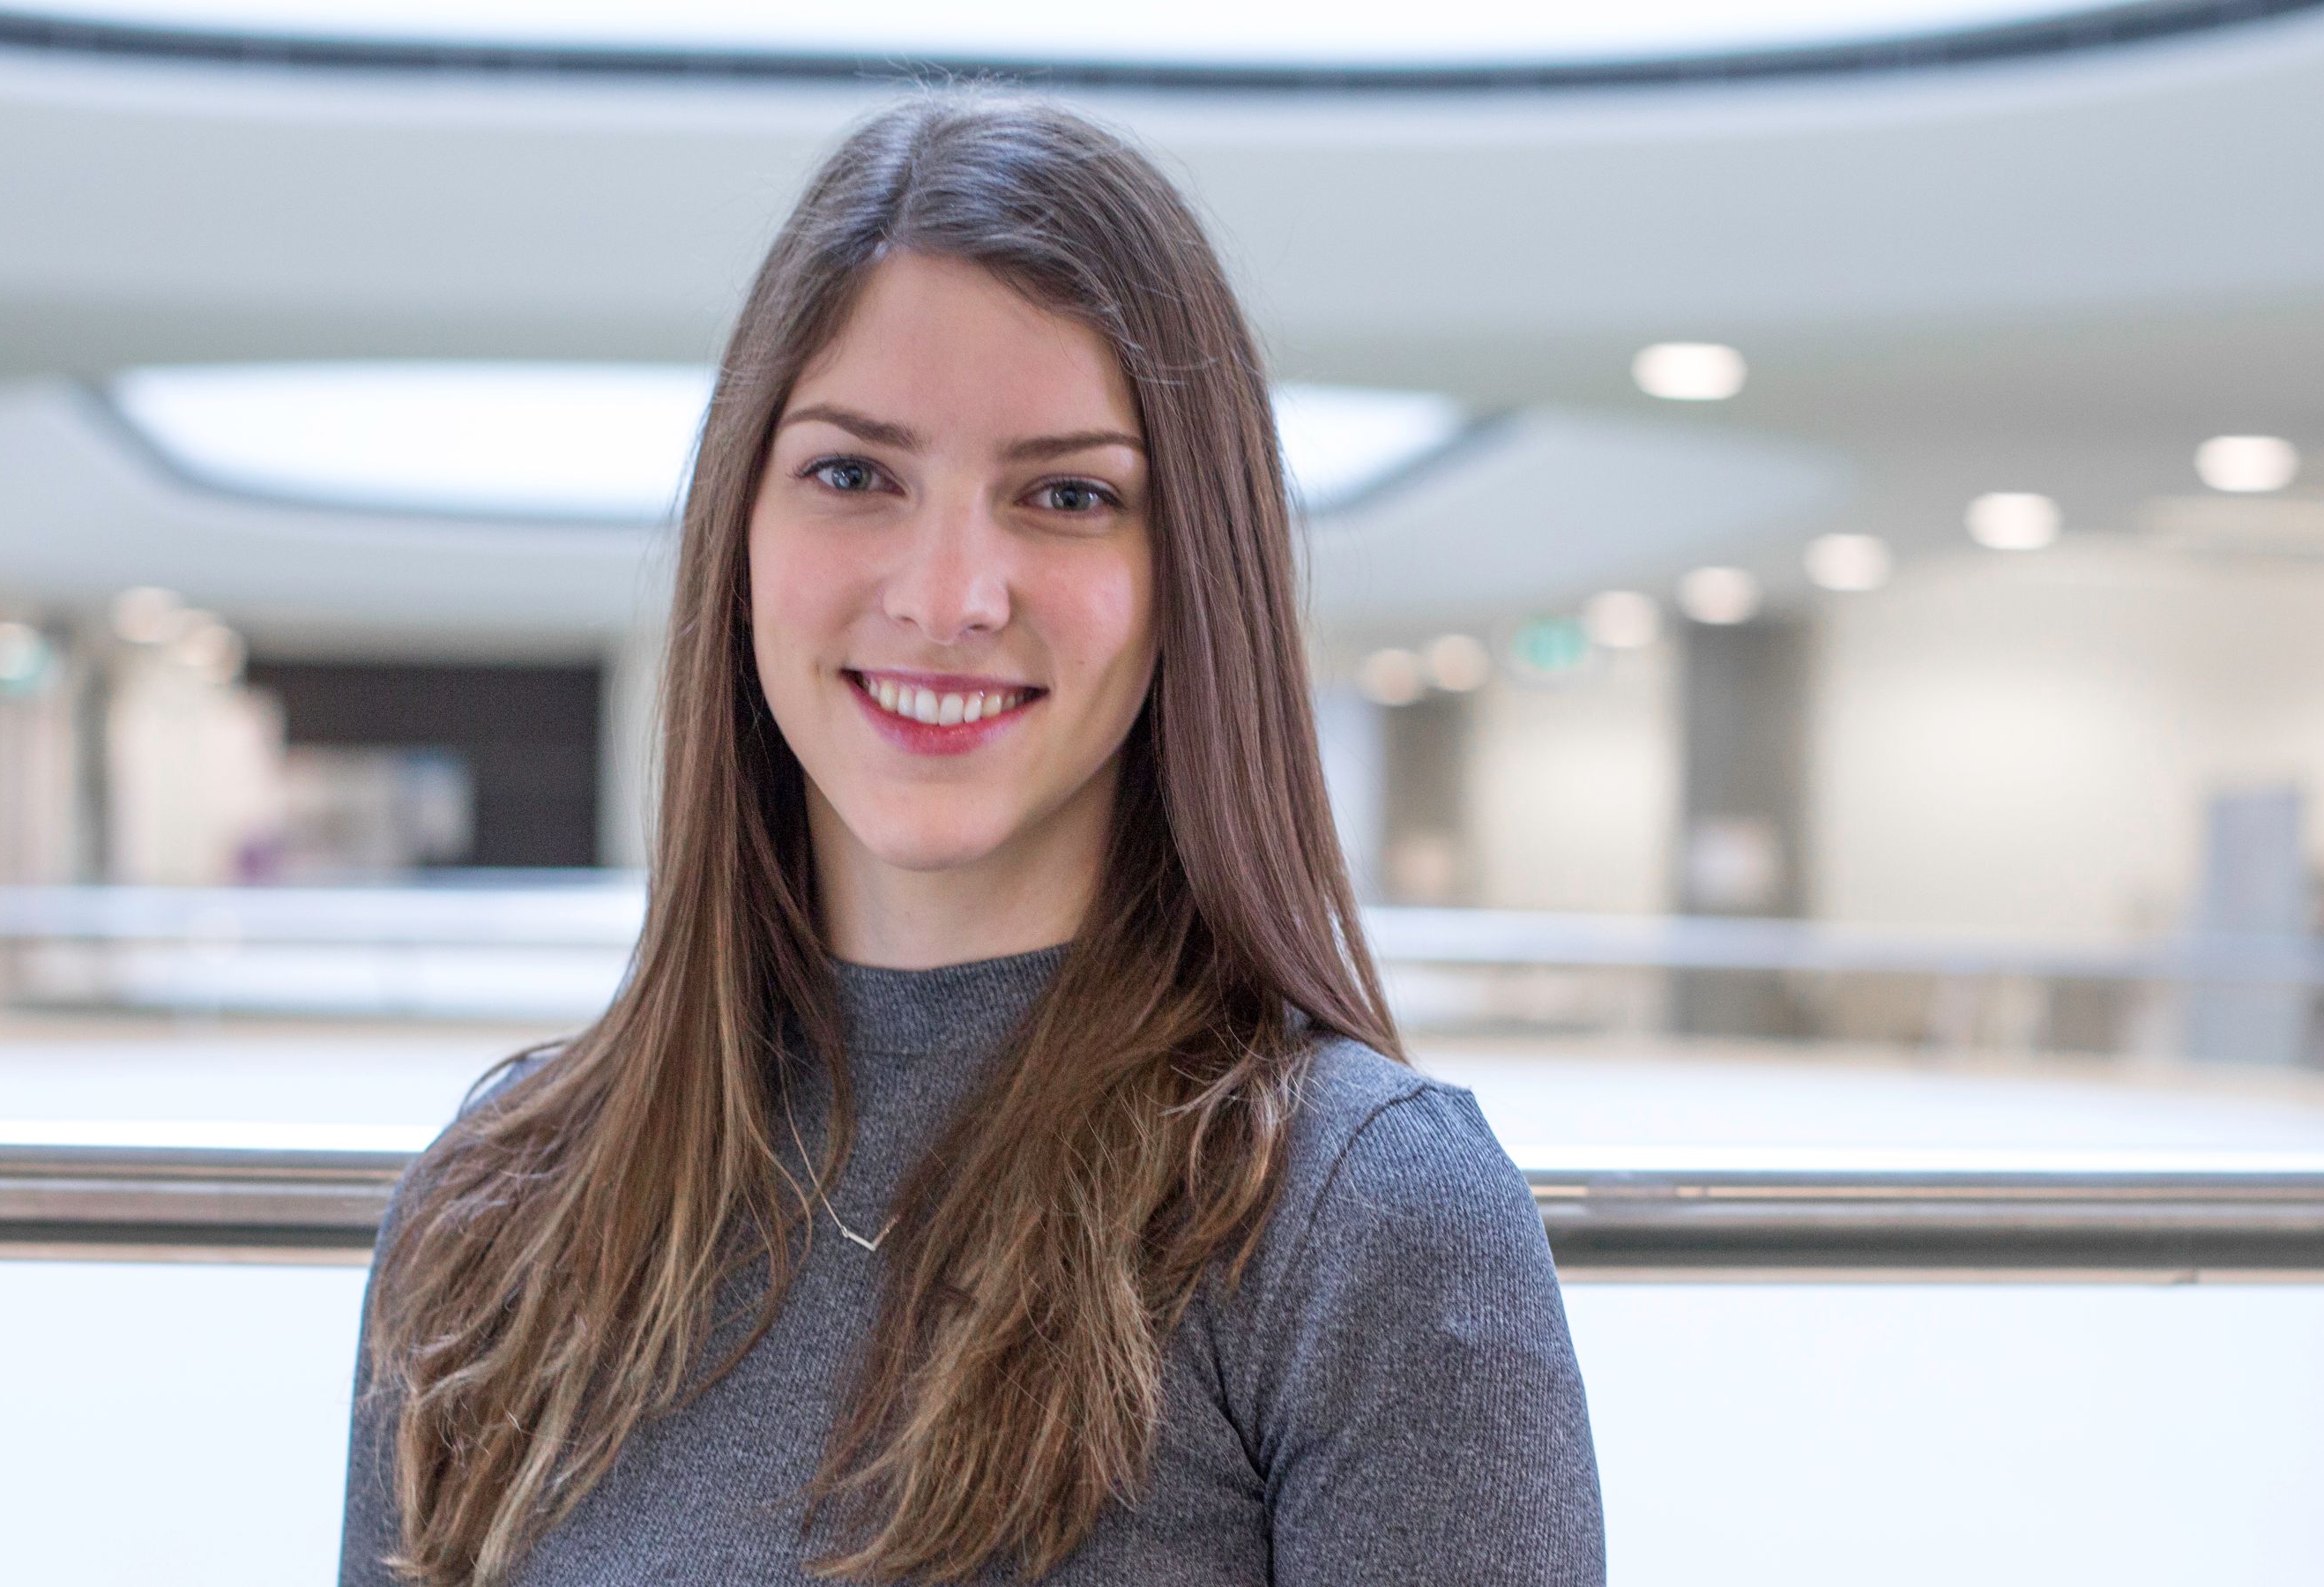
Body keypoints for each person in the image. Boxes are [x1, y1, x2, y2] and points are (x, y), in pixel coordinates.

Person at [340, 92, 1599, 1586]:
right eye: (854, 475)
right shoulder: (497, 1207)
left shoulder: (1356, 1221)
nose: (949, 598)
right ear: (740, 532)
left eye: (1066, 495)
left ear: (1192, 574)